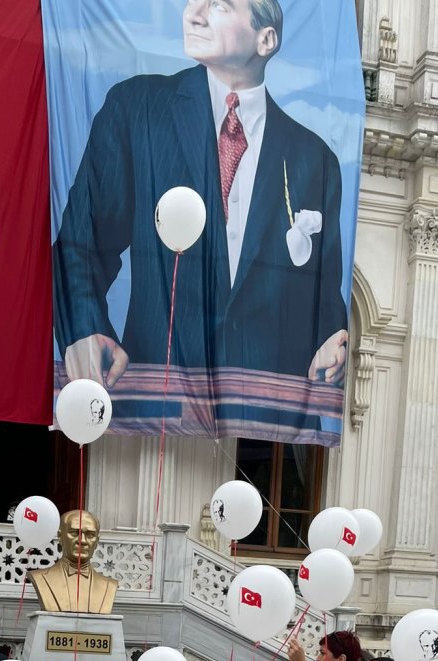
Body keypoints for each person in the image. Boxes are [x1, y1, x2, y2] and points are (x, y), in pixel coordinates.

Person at [54, 0, 348, 392]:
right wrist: (86, 329)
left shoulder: (316, 160)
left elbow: (322, 291)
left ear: (266, 39)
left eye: (220, 6)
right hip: (154, 400)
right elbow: (80, 244)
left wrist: (332, 338)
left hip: (262, 419)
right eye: (195, 2)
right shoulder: (137, 109)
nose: (194, 14)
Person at [27, 510, 118, 615]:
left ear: (97, 541)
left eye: (90, 535)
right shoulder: (40, 578)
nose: (82, 540)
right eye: (74, 533)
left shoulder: (108, 586)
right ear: (60, 537)